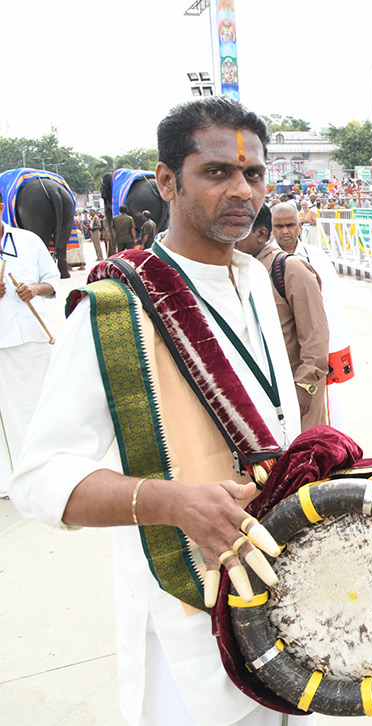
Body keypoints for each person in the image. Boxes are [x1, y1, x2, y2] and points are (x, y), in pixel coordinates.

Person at [8, 96, 305, 725]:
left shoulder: (254, 278)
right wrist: (172, 502)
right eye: (217, 171)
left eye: (253, 175)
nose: (241, 191)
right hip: (186, 610)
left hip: (282, 597)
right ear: (166, 181)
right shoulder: (113, 309)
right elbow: (37, 480)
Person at [235, 203, 330, 432]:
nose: (231, 242)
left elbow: (316, 338)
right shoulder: (243, 271)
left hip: (297, 397)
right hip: (266, 394)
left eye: (238, 234)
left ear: (261, 234)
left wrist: (304, 388)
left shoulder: (291, 268)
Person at [271, 201, 354, 429]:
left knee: (328, 409)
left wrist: (334, 352)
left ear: (300, 225)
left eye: (290, 225)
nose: (285, 231)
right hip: (288, 351)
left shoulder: (316, 257)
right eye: (279, 226)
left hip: (318, 348)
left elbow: (333, 304)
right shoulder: (265, 261)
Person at [0, 210, 58, 494]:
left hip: (36, 338)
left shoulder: (28, 241)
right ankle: (10, 480)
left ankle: (46, 474)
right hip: (3, 342)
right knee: (8, 415)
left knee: (40, 408)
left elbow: (53, 280)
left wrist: (35, 288)